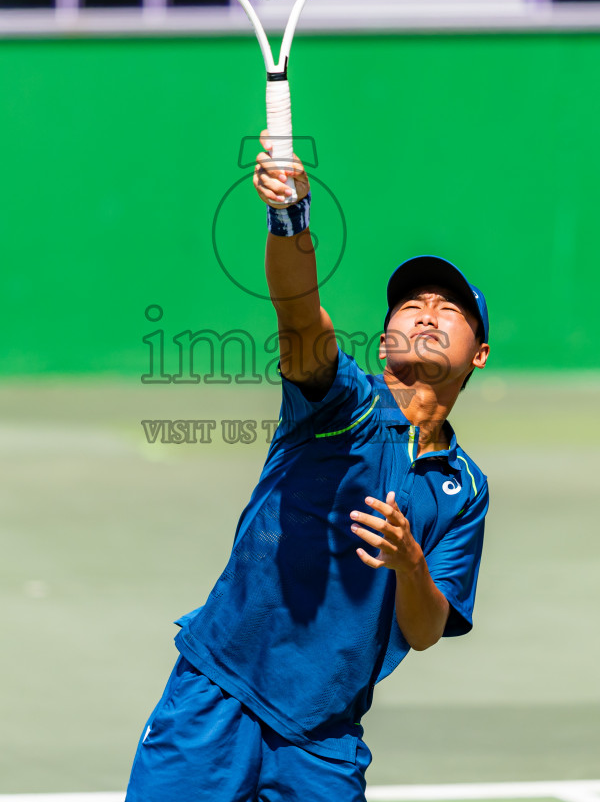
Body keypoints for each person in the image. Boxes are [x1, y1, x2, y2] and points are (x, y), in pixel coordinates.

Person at [125, 131, 492, 801]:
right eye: (411, 306)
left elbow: (426, 630)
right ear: (385, 342)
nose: (428, 314)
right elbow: (299, 314)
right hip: (220, 692)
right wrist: (289, 219)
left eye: (450, 309)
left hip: (323, 735)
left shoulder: (462, 488)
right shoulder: (341, 402)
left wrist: (411, 563)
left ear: (480, 354)